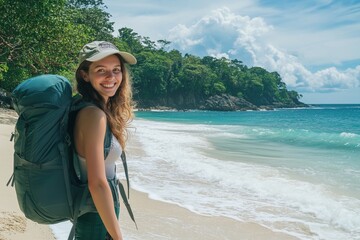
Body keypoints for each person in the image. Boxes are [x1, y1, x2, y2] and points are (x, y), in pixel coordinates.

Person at [73, 41, 137, 240]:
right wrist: (118, 237)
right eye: (101, 70)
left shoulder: (86, 107)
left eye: (116, 70)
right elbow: (97, 183)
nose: (111, 77)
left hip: (94, 211)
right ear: (85, 74)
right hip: (95, 214)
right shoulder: (94, 116)